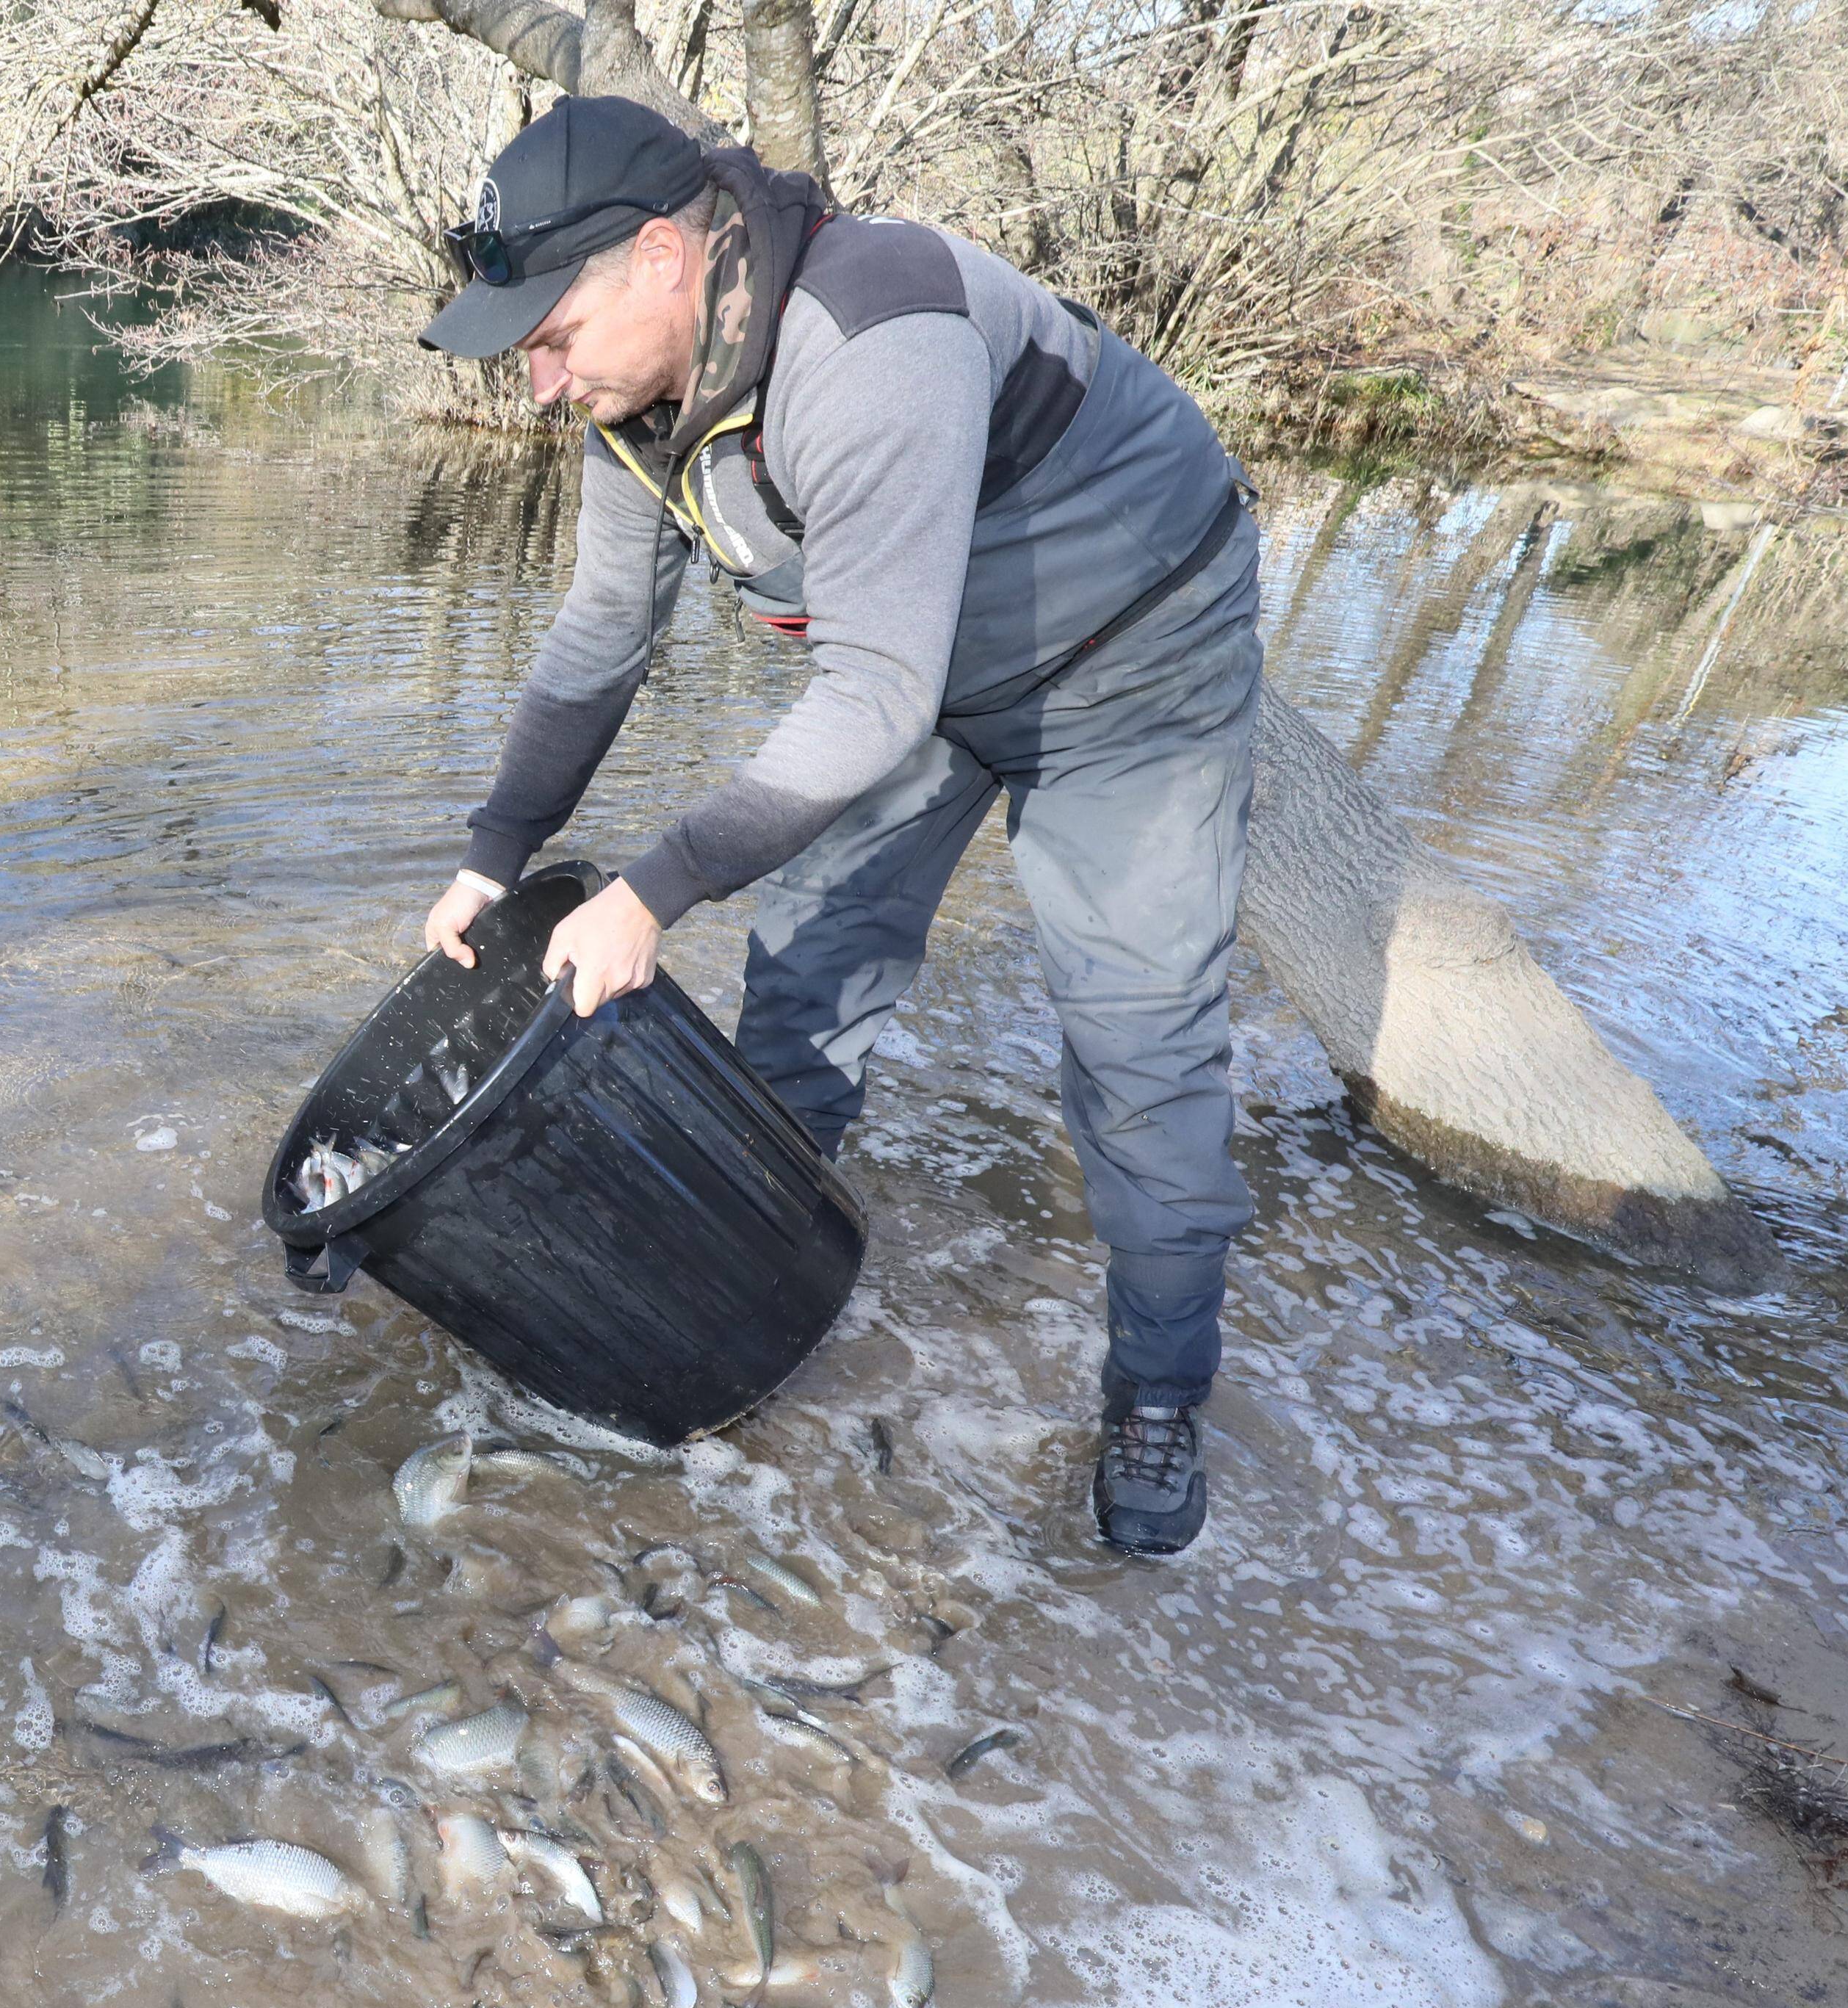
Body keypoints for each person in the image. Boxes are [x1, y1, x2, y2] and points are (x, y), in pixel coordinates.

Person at [414, 95, 1262, 1556]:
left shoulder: (873, 338)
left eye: (548, 334)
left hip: (1130, 656)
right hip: (913, 665)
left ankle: (1156, 1393)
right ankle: (739, 1270)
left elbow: (869, 696)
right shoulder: (637, 403)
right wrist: (497, 846)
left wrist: (653, 886)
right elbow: (600, 634)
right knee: (808, 969)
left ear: (661, 258)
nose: (539, 382)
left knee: (1137, 1045)